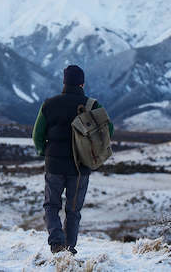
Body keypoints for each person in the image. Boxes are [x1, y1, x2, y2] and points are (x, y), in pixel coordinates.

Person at [32, 65, 114, 254]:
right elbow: (108, 130)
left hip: (54, 165)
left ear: (64, 82)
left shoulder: (49, 104)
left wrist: (44, 152)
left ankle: (56, 242)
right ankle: (69, 248)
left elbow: (37, 134)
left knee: (51, 205)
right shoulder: (93, 105)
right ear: (82, 83)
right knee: (73, 210)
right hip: (81, 166)